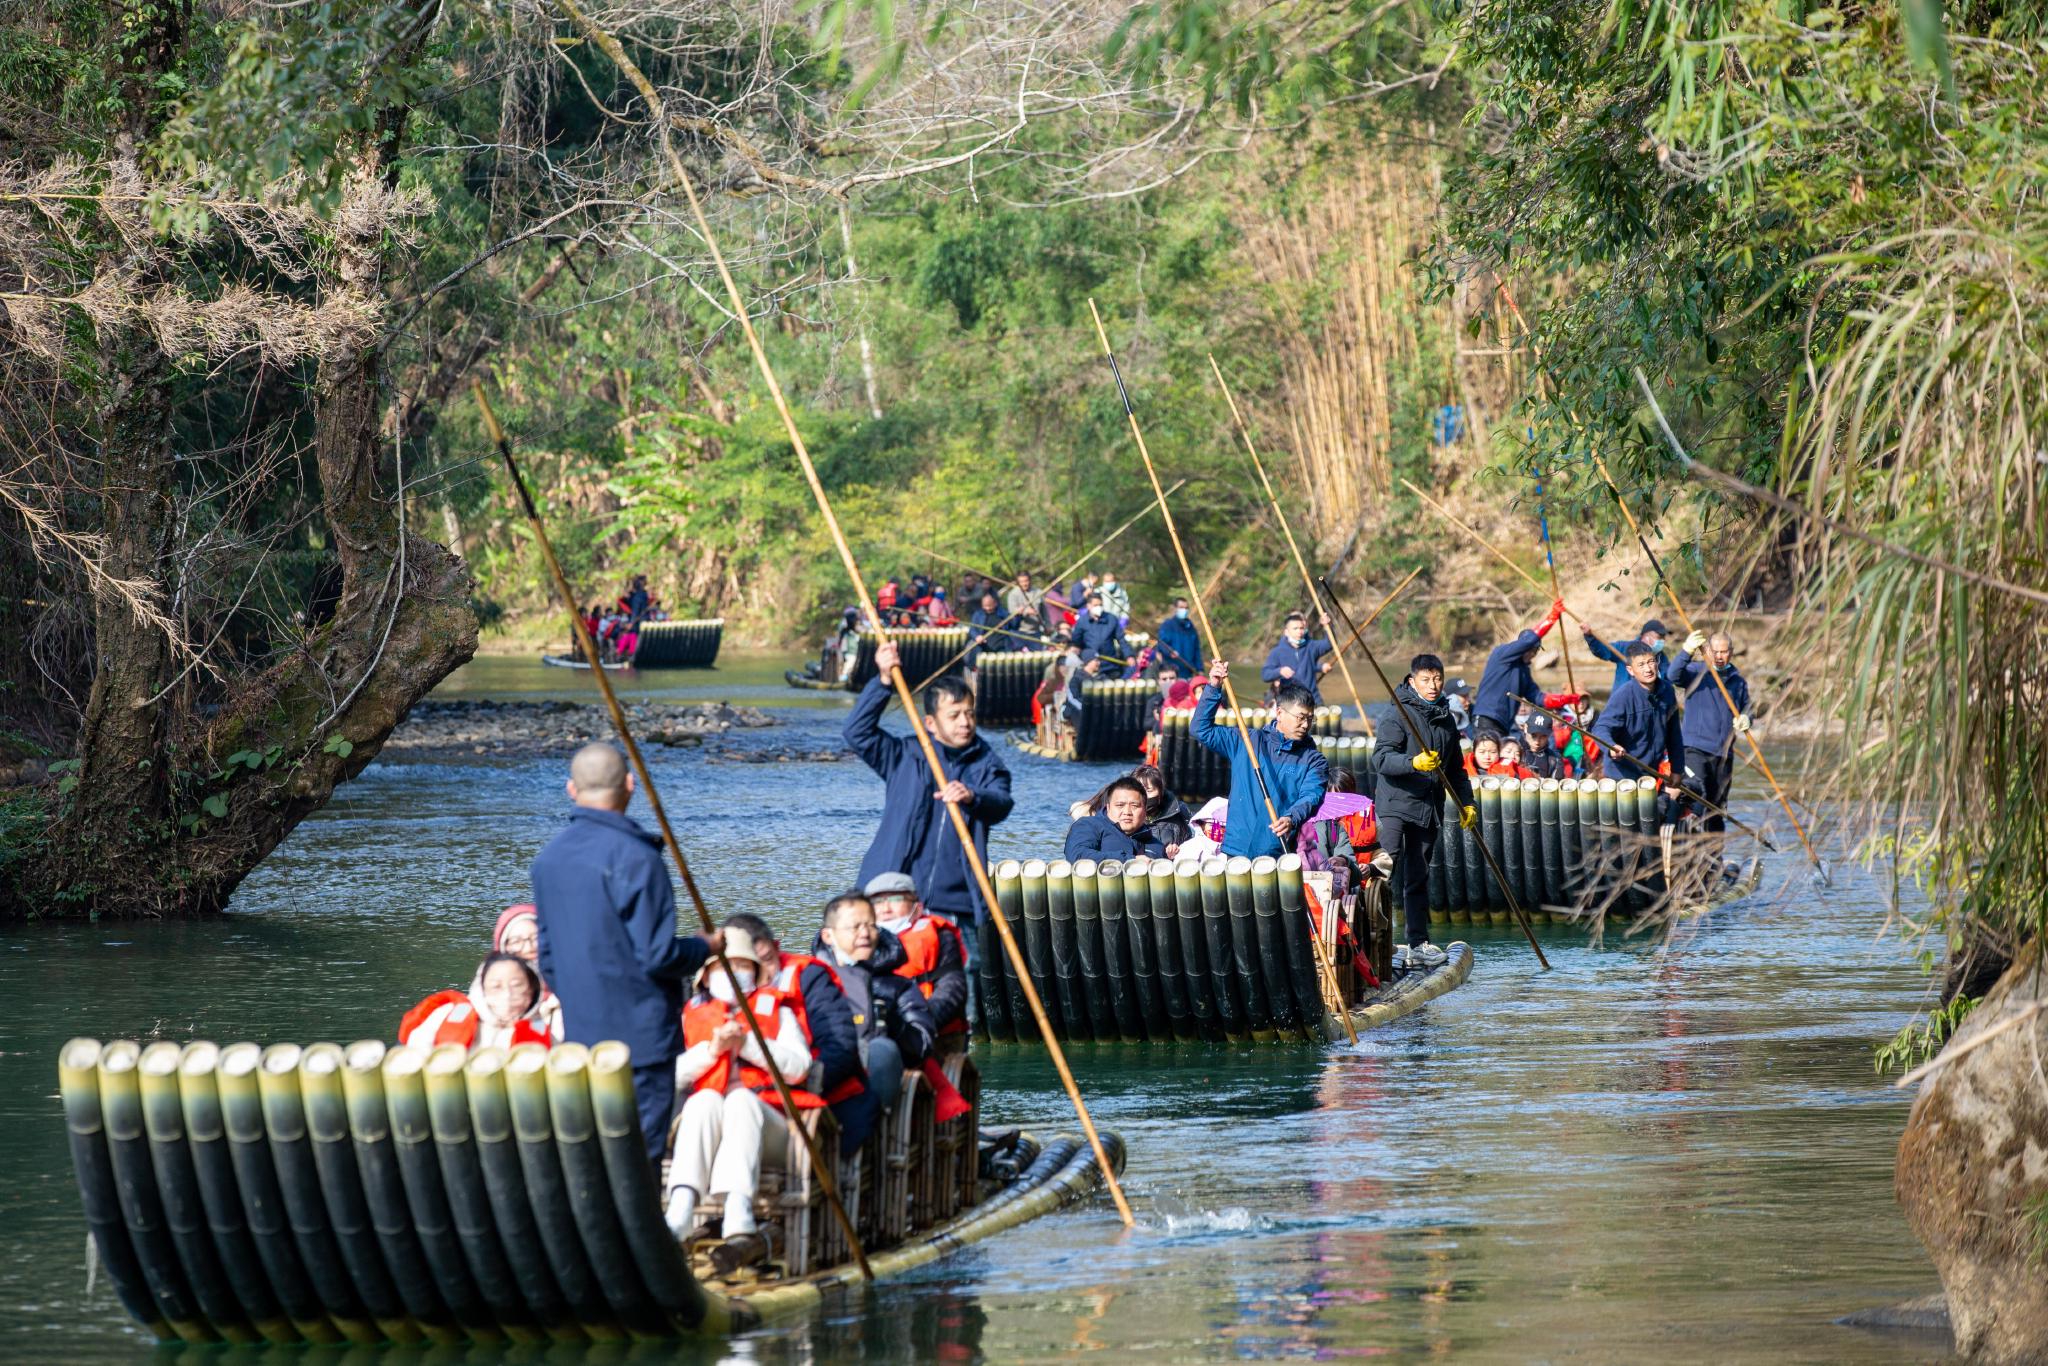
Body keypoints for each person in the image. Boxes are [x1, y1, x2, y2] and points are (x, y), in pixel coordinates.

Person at [531, 743, 719, 1167]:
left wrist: (581, 1001)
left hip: (582, 1033)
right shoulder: (637, 855)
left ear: (571, 790)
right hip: (643, 1036)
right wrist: (705, 947)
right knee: (639, 1155)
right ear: (630, 786)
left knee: (595, 1152)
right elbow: (657, 955)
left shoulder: (548, 860)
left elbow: (549, 959)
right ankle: (638, 1234)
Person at [845, 638, 1011, 1006]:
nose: (965, 722)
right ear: (931, 722)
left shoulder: (986, 762)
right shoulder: (904, 754)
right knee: (883, 983)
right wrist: (883, 681)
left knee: (958, 990)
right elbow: (856, 733)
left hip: (957, 902)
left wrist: (972, 796)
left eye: (969, 713)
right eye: (955, 715)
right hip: (893, 897)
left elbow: (1002, 803)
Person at [660, 925, 814, 1241]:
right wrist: (712, 1051)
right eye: (721, 967)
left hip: (769, 1126)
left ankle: (738, 1206)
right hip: (707, 1125)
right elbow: (669, 1077)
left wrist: (748, 1044)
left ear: (755, 972)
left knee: (741, 1100)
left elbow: (799, 1068)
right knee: (703, 1101)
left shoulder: (778, 1012)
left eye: (741, 966)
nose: (732, 974)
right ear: (705, 977)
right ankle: (682, 1204)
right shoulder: (690, 1015)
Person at [720, 911, 872, 1151]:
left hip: (813, 1097)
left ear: (776, 947)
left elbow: (840, 1047)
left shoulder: (810, 978)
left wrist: (792, 1084)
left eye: (767, 959)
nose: (763, 974)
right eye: (745, 966)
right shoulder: (715, 989)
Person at [1368, 653, 1477, 973]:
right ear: (1412, 680)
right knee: (1383, 873)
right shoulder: (1396, 713)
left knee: (1418, 877)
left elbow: (1456, 769)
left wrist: (1466, 802)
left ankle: (1417, 944)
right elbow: (1382, 760)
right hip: (1396, 806)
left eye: (1437, 679)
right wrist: (1412, 763)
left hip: (1428, 808)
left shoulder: (1446, 718)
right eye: (1426, 680)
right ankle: (1377, 943)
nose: (1433, 685)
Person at [812, 892, 933, 1118]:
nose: (865, 933)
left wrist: (889, 1020)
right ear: (828, 936)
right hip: (825, 1071)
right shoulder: (812, 979)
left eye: (870, 926)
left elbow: (924, 1044)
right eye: (854, 927)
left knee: (881, 1051)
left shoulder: (899, 986)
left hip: (879, 1079)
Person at [1193, 663, 1329, 858]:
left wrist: (1291, 818)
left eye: (1310, 718)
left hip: (1276, 852)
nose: (1306, 724)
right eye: (1300, 717)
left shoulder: (1314, 761)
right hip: (1236, 848)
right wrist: (1214, 687)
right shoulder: (1247, 741)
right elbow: (1200, 729)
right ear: (1280, 713)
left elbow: (1311, 797)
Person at [1666, 630, 1751, 833]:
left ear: (1731, 652)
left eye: (1724, 652)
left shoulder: (1737, 682)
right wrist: (1686, 651)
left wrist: (1747, 718)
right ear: (1708, 651)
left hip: (1723, 753)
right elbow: (1672, 675)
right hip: (1695, 748)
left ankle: (1714, 857)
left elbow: (1747, 708)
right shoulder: (1696, 671)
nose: (1720, 657)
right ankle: (1690, 848)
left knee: (1717, 807)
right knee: (1697, 796)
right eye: (1716, 652)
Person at [867, 872, 970, 1038]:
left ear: (917, 906)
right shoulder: (859, 939)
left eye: (895, 900)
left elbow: (952, 988)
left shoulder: (941, 936)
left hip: (931, 1029)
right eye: (877, 902)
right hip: (872, 1029)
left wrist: (920, 1024)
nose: (885, 908)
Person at [399, 951, 559, 1052]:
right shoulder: (449, 1013)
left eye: (517, 985)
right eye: (496, 986)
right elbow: (416, 1051)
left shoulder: (543, 1026)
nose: (507, 994)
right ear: (482, 989)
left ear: (532, 989)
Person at [1592, 642, 1686, 806]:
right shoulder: (1624, 695)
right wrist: (1611, 746)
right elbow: (1601, 728)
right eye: (1641, 665)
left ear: (1657, 662)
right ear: (1631, 670)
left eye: (1651, 662)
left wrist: (1677, 769)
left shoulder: (1667, 691)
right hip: (1621, 774)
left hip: (1649, 772)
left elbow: (1674, 735)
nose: (1648, 669)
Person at [1473, 599, 1565, 741]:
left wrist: (1564, 699)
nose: (1533, 654)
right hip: (1487, 717)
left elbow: (1537, 697)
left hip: (1504, 724)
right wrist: (1551, 617)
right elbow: (1528, 641)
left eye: (1535, 651)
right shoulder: (1501, 654)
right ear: (1521, 648)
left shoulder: (1524, 672)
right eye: (1530, 649)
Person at [493, 903, 561, 1039]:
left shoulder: (570, 992)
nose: (528, 948)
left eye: (535, 938)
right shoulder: (485, 1000)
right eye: (516, 941)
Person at [1065, 776, 1170, 861]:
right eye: (1120, 805)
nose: (1127, 812)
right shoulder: (1088, 826)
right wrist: (1130, 860)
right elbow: (1077, 855)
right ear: (1108, 807)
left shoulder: (1156, 845)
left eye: (1135, 806)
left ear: (1145, 809)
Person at [1261, 613, 1334, 706]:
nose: (1299, 631)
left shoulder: (1311, 646)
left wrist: (1328, 627)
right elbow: (1265, 675)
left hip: (1312, 699)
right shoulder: (1277, 652)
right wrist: (1279, 671)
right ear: (1286, 632)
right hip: (1289, 702)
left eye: (1302, 628)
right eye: (1295, 629)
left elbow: (1329, 644)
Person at [1582, 618, 1670, 695]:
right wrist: (1590, 637)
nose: (1662, 641)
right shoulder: (1625, 648)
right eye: (1659, 637)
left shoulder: (1662, 658)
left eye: (1663, 638)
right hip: (1624, 703)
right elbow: (1602, 651)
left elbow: (1667, 681)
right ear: (1646, 637)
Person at [1134, 763, 1194, 849]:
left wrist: (1178, 852)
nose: (1143, 796)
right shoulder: (1122, 818)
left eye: (1148, 791)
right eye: (1138, 791)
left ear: (1160, 792)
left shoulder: (1179, 814)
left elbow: (1191, 843)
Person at [1155, 597, 1204, 677]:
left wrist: (1200, 669)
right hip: (1171, 672)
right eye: (1181, 607)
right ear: (1175, 609)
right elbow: (1161, 644)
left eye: (1186, 608)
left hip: (1188, 672)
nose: (1184, 610)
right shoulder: (1168, 625)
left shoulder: (1191, 628)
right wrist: (1170, 652)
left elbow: (1196, 650)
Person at [1072, 592, 1126, 663]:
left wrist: (1129, 655)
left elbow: (1121, 639)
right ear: (1088, 606)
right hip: (1091, 664)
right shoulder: (1082, 622)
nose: (1098, 607)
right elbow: (1076, 642)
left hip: (1110, 662)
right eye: (1095, 605)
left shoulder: (1111, 619)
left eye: (1100, 605)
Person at [967, 591, 1011, 668]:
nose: (987, 608)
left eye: (989, 606)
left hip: (1001, 648)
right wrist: (977, 637)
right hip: (984, 649)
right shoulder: (978, 615)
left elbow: (1013, 625)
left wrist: (1018, 615)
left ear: (995, 603)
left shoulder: (1003, 613)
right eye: (985, 606)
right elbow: (972, 630)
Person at [1520, 714, 1565, 779]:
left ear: (1550, 734)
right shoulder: (1513, 752)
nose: (1537, 741)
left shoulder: (1555, 759)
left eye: (1543, 736)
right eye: (1533, 735)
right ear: (1525, 728)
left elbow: (1556, 785)